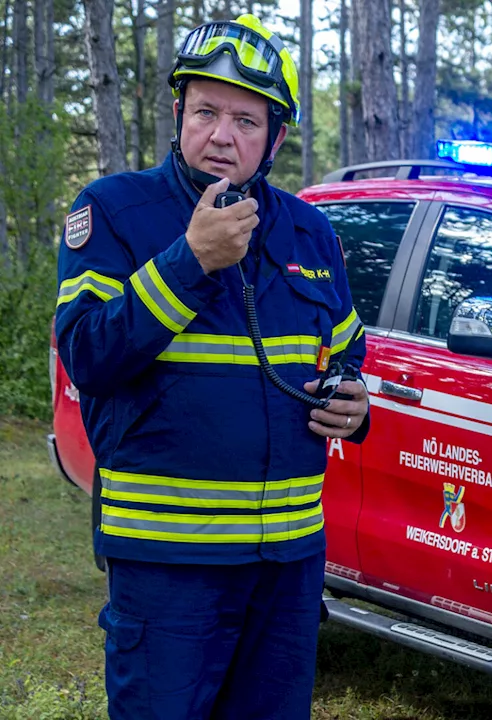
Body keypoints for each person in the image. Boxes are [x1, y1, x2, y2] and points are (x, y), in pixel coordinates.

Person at [54, 14, 370, 719]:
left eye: (246, 120)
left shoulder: (308, 229)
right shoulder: (112, 212)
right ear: (178, 114)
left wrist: (357, 404)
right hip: (168, 566)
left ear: (277, 137)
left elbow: (347, 347)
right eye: (205, 111)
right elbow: (87, 356)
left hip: (286, 565)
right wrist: (188, 261)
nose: (222, 135)